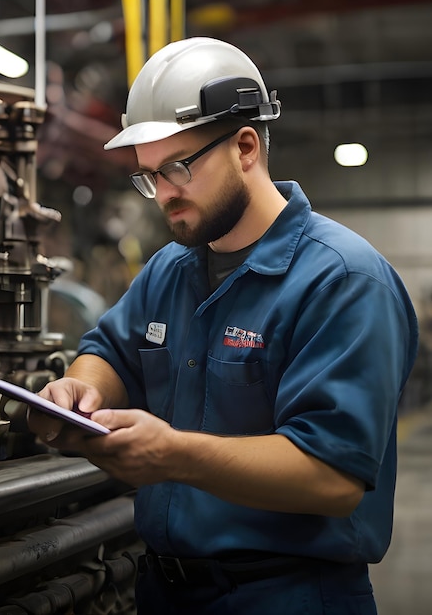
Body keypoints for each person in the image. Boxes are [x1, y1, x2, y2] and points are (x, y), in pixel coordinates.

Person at [27, 37, 419, 614]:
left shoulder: (342, 280)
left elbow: (332, 479)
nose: (163, 194)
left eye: (178, 167)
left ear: (244, 147)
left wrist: (175, 455)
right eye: (149, 176)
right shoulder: (170, 268)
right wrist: (81, 389)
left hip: (289, 595)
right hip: (166, 591)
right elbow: (109, 349)